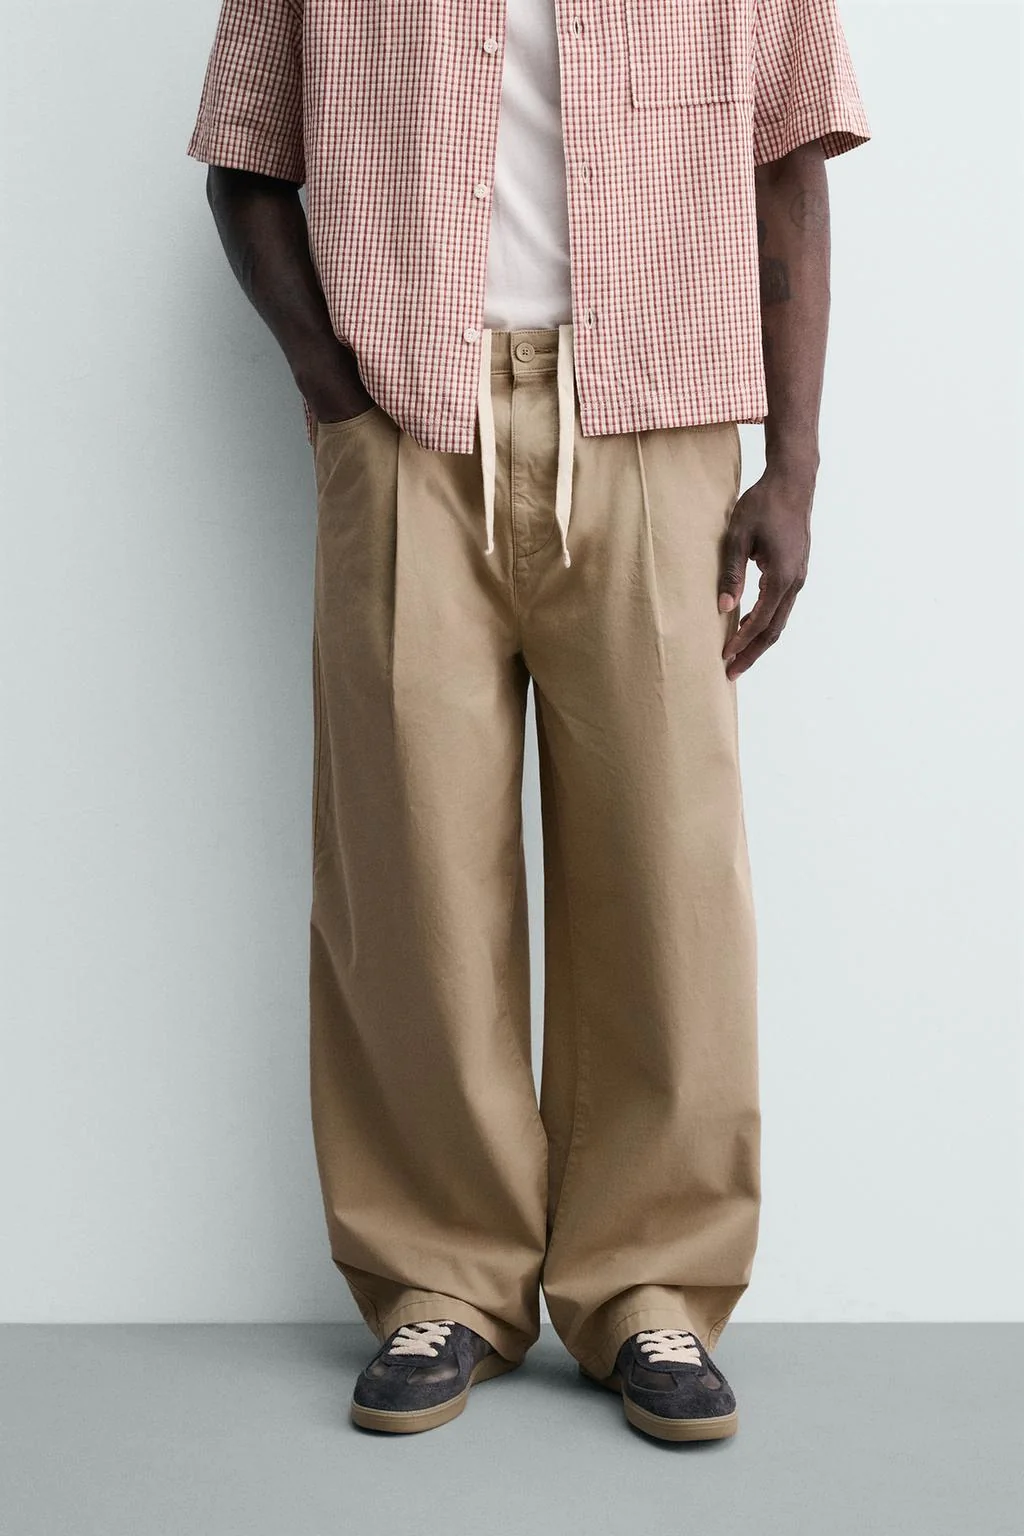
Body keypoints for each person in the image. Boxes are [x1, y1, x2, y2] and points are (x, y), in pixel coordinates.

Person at [186, 0, 870, 1442]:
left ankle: (654, 1287)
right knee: (411, 865)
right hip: (406, 430)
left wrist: (794, 467)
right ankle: (440, 1276)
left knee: (670, 871)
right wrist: (337, 397)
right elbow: (246, 158)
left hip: (660, 425)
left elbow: (789, 163)